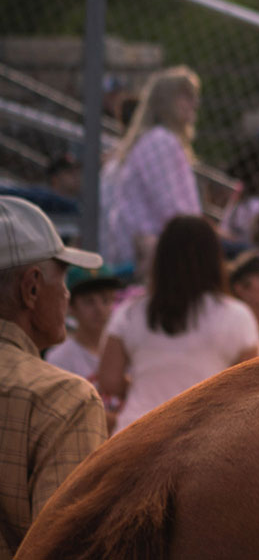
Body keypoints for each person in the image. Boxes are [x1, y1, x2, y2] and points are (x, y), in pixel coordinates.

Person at [0, 197, 106, 555]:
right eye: (62, 278)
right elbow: (68, 550)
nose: (66, 293)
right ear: (30, 288)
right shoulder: (63, 399)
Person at [97, 215, 259, 433]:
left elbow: (108, 380)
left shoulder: (130, 312)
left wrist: (143, 389)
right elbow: (250, 387)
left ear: (161, 258)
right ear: (214, 258)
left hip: (136, 432)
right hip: (204, 437)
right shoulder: (237, 316)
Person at [101, 66, 203, 273]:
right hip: (153, 254)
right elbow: (171, 209)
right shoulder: (159, 140)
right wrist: (202, 239)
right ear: (166, 101)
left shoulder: (158, 139)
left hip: (160, 246)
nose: (194, 103)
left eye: (194, 97)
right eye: (186, 97)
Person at [41, 266, 125, 381]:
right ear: (71, 306)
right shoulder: (59, 359)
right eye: (89, 301)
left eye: (105, 300)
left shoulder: (124, 351)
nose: (99, 309)